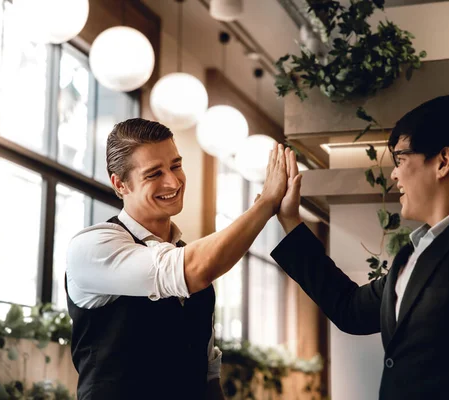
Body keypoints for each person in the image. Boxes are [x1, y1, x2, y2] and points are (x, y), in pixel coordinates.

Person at [270, 94, 449, 400]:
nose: (393, 174)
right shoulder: (412, 255)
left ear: (442, 161)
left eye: (400, 159)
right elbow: (350, 309)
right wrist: (289, 220)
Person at [65, 118, 287, 400]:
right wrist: (266, 203)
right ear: (120, 184)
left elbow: (207, 372)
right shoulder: (94, 246)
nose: (173, 181)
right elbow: (190, 270)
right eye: (154, 174)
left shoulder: (187, 258)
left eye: (176, 165)